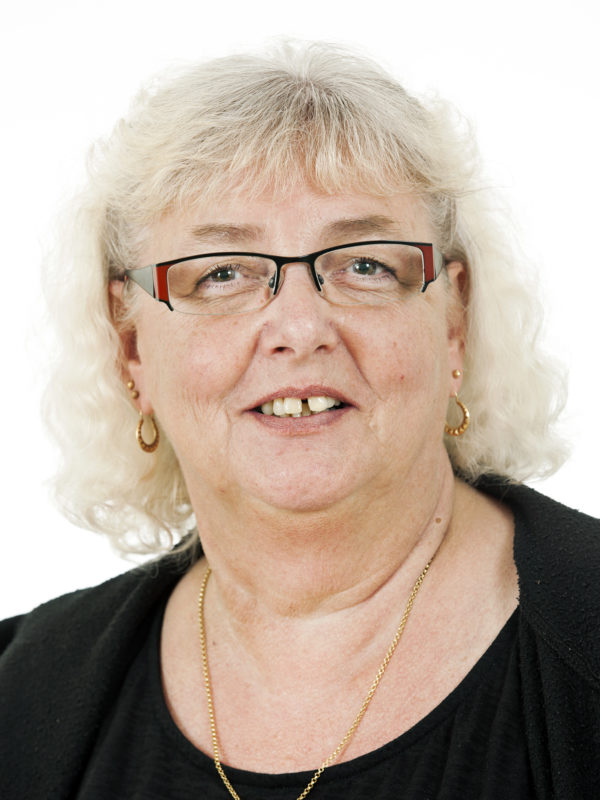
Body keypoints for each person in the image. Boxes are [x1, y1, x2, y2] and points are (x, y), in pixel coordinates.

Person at [1, 42, 598, 800]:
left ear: (453, 323)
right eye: (222, 273)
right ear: (132, 351)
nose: (299, 327)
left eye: (365, 264)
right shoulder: (21, 698)